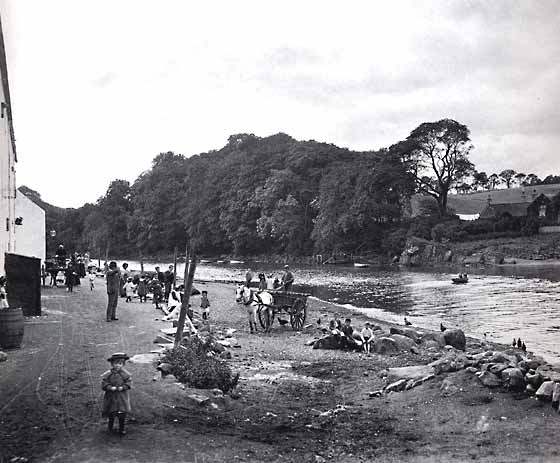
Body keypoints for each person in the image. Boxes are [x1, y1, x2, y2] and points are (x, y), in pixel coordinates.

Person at [101, 352, 132, 435]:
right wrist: (110, 387)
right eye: (115, 363)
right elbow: (104, 384)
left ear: (123, 364)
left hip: (121, 398)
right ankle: (110, 427)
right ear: (112, 364)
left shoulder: (125, 374)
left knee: (122, 414)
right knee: (111, 413)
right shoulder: (108, 374)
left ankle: (121, 429)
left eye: (120, 363)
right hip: (111, 397)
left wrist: (123, 387)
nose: (118, 365)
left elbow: (129, 383)